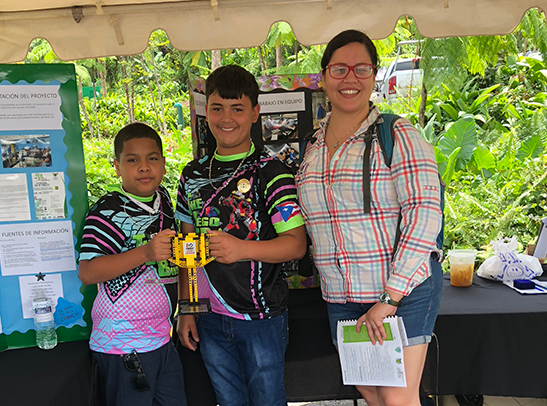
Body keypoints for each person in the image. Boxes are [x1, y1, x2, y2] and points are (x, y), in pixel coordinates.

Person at [295, 30, 443, 406]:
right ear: (324, 75)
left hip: (401, 292)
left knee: (397, 398)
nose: (350, 79)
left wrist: (390, 297)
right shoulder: (312, 148)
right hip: (342, 297)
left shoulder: (397, 134)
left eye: (361, 69)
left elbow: (424, 214)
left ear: (374, 75)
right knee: (371, 392)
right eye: (339, 68)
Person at [176, 64, 307, 406]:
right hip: (209, 317)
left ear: (255, 113)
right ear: (206, 112)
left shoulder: (274, 173)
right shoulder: (190, 175)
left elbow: (295, 245)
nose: (226, 118)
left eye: (237, 108)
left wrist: (242, 249)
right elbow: (186, 246)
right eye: (217, 108)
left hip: (260, 318)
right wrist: (187, 309)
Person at [78, 122, 187, 406]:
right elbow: (88, 272)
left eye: (152, 158)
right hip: (123, 344)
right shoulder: (106, 211)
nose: (144, 167)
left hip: (161, 338)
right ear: (116, 167)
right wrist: (145, 253)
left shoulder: (163, 201)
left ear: (163, 164)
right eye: (132, 160)